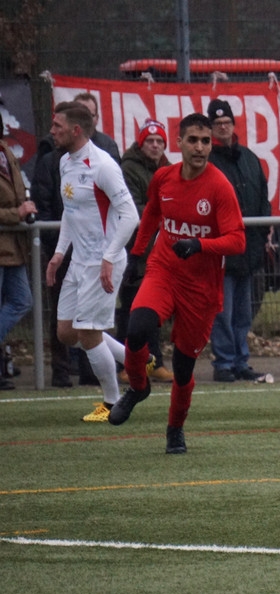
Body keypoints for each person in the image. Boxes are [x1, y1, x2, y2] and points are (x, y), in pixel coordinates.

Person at [108, 112, 246, 454]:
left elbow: (238, 240)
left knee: (183, 369)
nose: (200, 147)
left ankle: (175, 429)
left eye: (205, 141)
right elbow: (152, 213)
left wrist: (200, 244)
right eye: (193, 140)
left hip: (201, 287)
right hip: (164, 270)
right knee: (137, 328)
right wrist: (136, 256)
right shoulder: (164, 178)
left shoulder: (219, 187)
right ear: (180, 142)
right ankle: (138, 387)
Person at [45, 101, 139, 421]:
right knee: (66, 333)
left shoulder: (103, 165)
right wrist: (60, 253)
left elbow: (130, 216)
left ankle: (113, 403)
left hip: (103, 262)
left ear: (76, 130)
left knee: (88, 333)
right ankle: (137, 360)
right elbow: (71, 212)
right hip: (78, 262)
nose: (52, 131)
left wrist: (109, 257)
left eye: (57, 126)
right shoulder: (65, 162)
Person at [206, 98, 271, 382]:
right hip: (221, 250)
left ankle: (240, 360)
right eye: (218, 123)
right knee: (222, 311)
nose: (223, 127)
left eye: (227, 122)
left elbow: (263, 198)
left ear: (234, 125)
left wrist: (262, 232)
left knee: (243, 312)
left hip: (248, 247)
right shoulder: (207, 161)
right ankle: (224, 362)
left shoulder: (249, 158)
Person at [116, 118, 173, 383]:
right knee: (131, 310)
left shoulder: (169, 169)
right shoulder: (128, 169)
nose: (155, 145)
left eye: (160, 141)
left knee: (154, 312)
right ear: (141, 144)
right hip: (135, 252)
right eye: (150, 141)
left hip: (160, 253)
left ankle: (155, 362)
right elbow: (133, 208)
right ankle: (127, 365)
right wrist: (164, 213)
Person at [0, 113, 38, 390]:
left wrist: (26, 205)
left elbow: (19, 189)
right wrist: (18, 213)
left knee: (22, 300)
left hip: (12, 246)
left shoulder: (5, 151)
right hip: (6, 241)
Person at [72, 92, 121, 164]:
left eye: (89, 115)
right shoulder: (62, 142)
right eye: (80, 114)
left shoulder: (108, 145)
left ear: (97, 118)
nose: (84, 119)